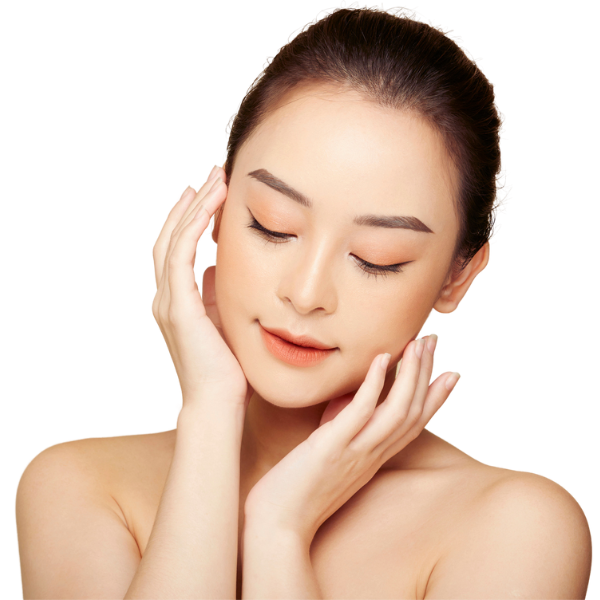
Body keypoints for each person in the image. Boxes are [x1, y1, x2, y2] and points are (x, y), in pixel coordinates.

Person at [15, 4, 592, 599]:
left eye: (376, 258)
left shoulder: (515, 528)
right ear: (214, 212)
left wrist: (279, 529)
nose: (307, 293)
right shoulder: (79, 485)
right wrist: (210, 416)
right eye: (273, 225)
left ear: (458, 278)